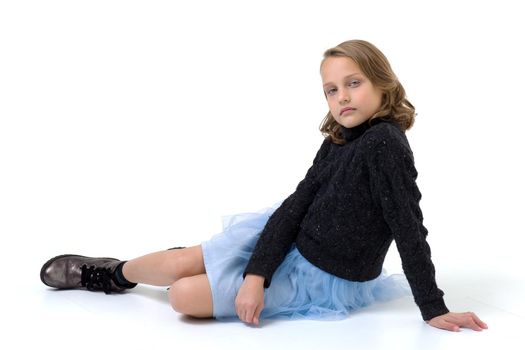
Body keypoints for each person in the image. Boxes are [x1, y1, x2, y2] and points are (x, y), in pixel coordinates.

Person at [40, 39, 488, 333]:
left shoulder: (385, 144)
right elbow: (297, 204)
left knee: (182, 297)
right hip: (292, 236)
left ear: (383, 84)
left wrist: (432, 307)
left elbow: (408, 226)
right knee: (180, 263)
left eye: (354, 83)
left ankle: (201, 270)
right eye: (332, 90)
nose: (343, 98)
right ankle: (112, 274)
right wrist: (257, 273)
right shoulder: (340, 137)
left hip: (324, 274)